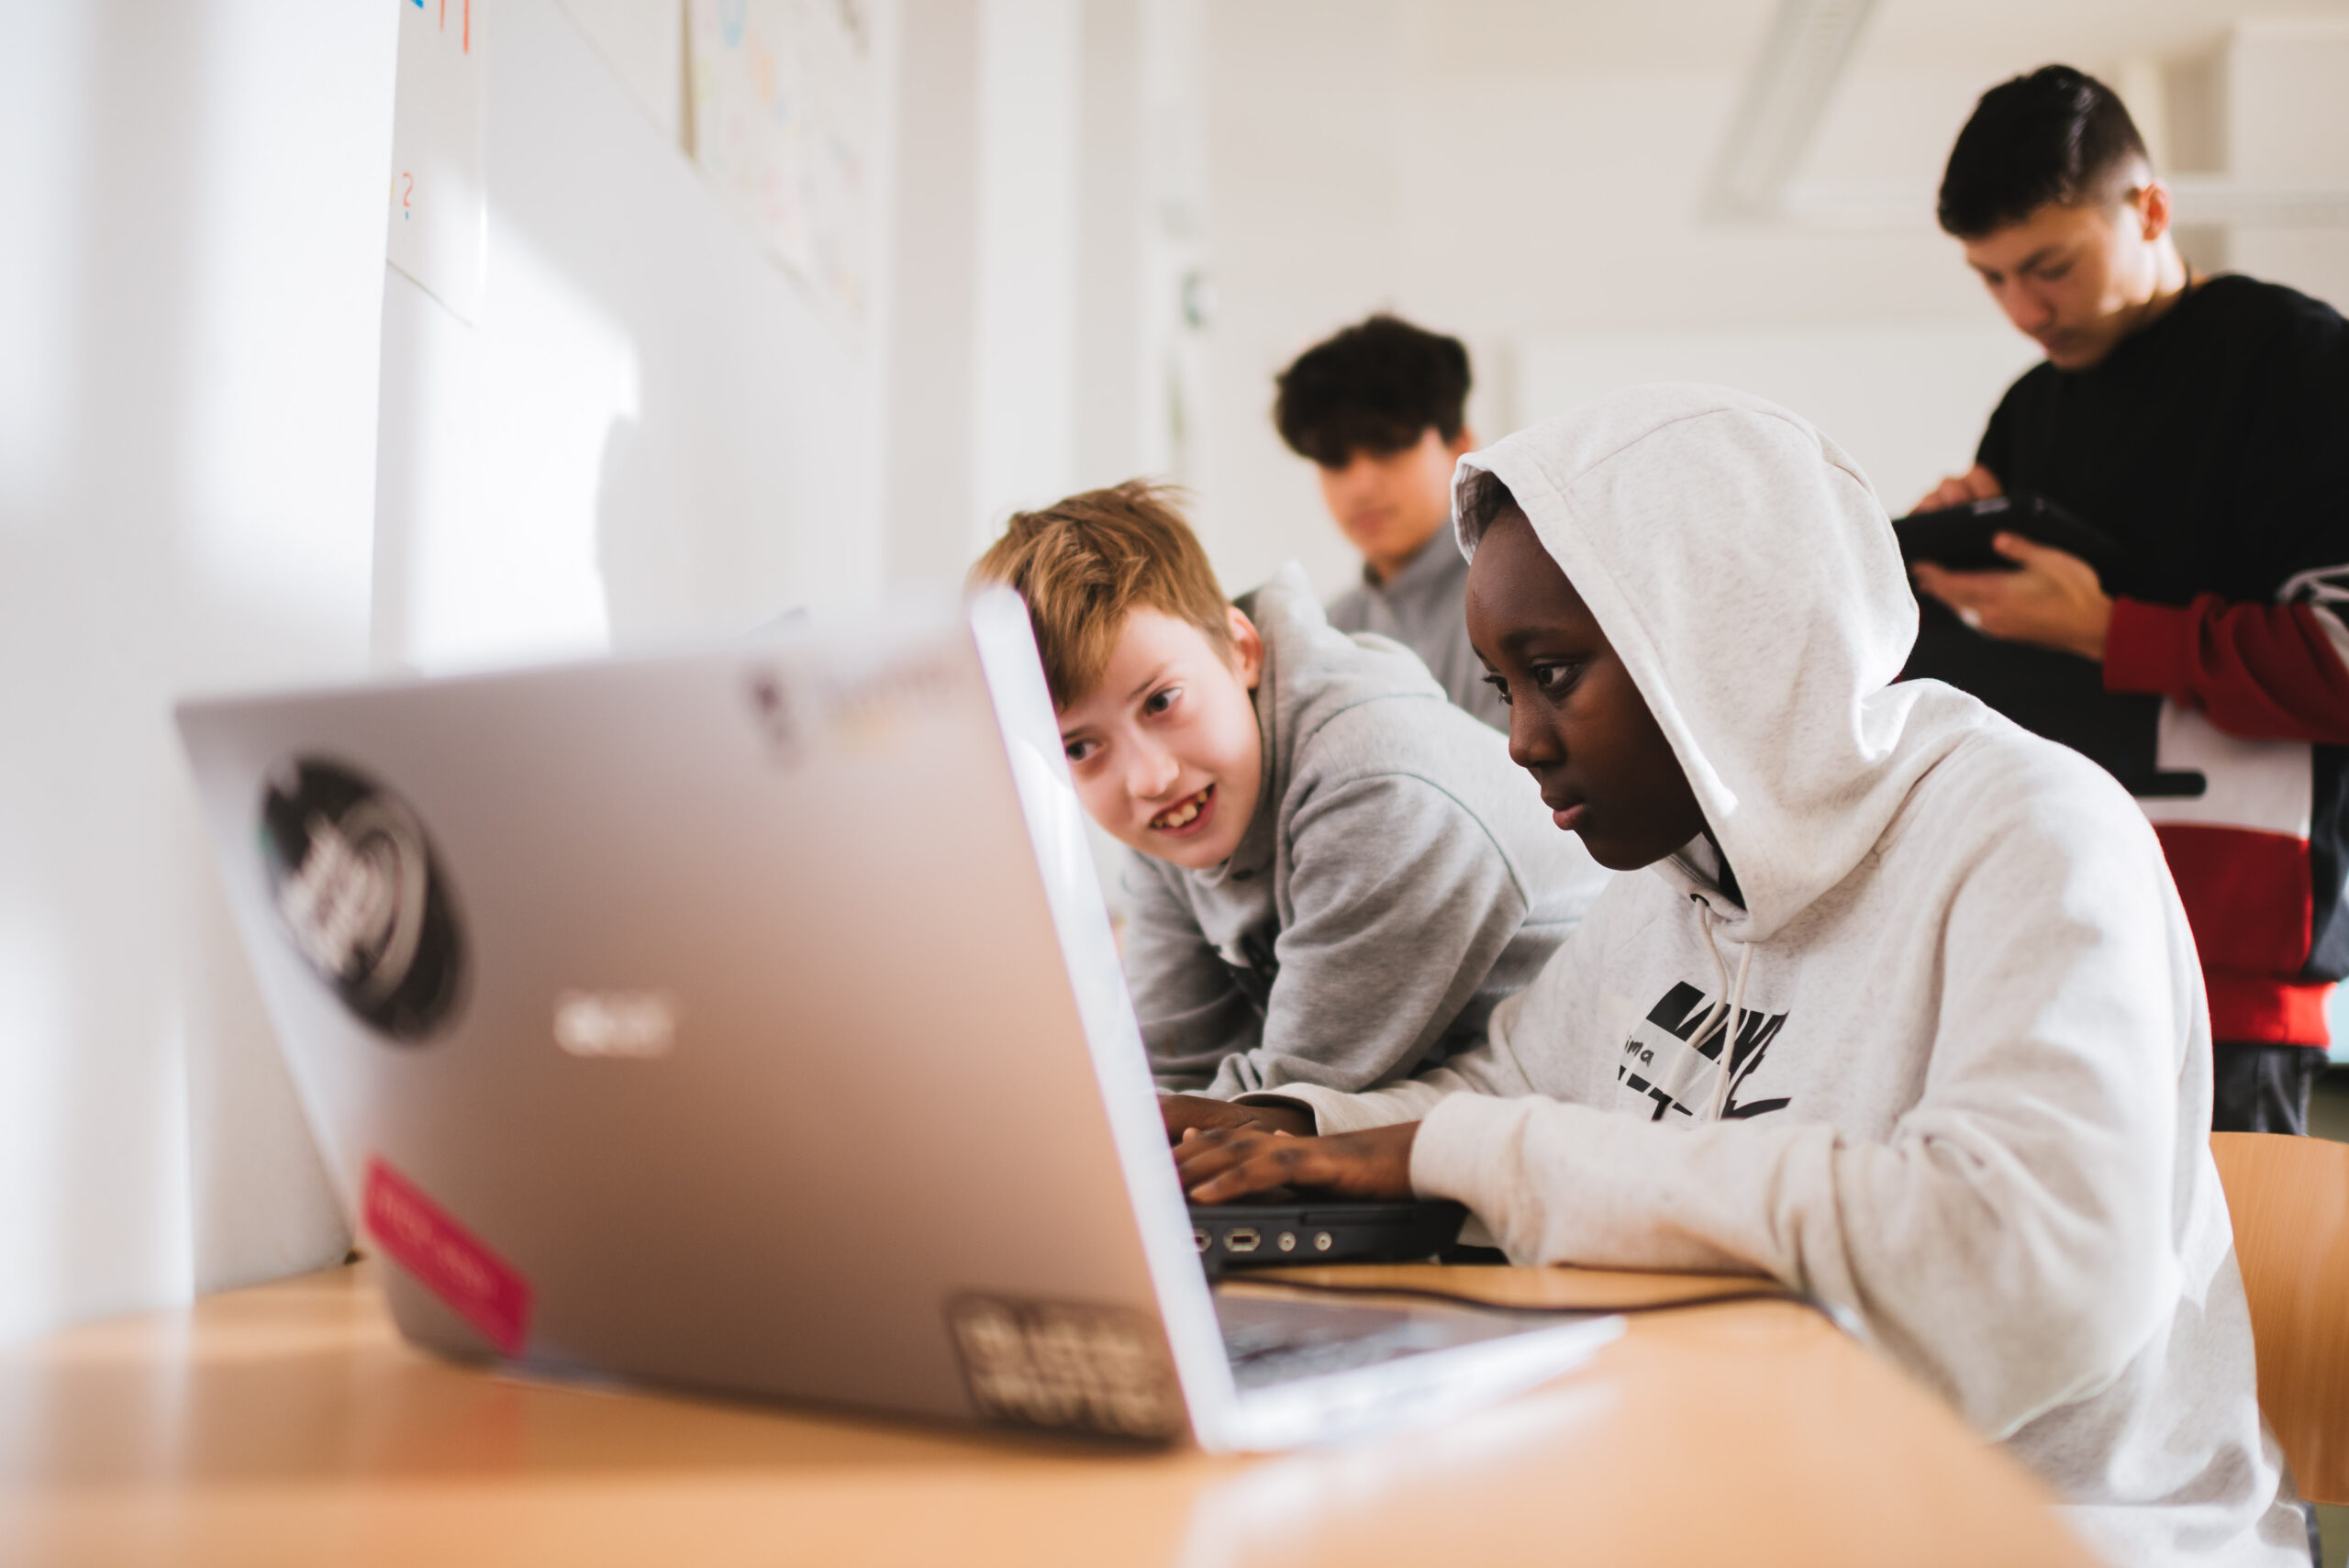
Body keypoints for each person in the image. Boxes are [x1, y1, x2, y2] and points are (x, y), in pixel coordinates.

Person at [1173, 386, 2307, 1565]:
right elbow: (1503, 1093)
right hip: (1744, 1489)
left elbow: (2029, 1274)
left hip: (2045, 1531)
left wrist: (1449, 1151)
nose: (1520, 740)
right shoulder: (1669, 884)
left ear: (1717, 636)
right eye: (1504, 688)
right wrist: (1282, 1132)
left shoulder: (2035, 833)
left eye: (1554, 671)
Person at [1906, 64, 2349, 1135]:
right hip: (2042, 945)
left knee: (2237, 1303)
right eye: (1990, 278)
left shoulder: (2297, 361)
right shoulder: (2027, 408)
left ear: (2149, 208)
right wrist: (1957, 559)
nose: (2023, 308)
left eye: (2049, 266)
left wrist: (2106, 627)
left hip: (2229, 969)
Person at [968, 482, 1607, 1109]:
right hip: (1447, 1118)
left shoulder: (1375, 783)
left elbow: (1286, 1104)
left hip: (1582, 1111)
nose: (1148, 778)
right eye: (1079, 747)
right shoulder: (1171, 818)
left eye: (1161, 701)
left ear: (1241, 648)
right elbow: (1171, 1070)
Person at [1274, 314, 1505, 728]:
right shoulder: (1326, 633)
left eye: (1387, 447)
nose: (1360, 486)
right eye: (1334, 459)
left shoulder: (1523, 598)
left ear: (1461, 448)